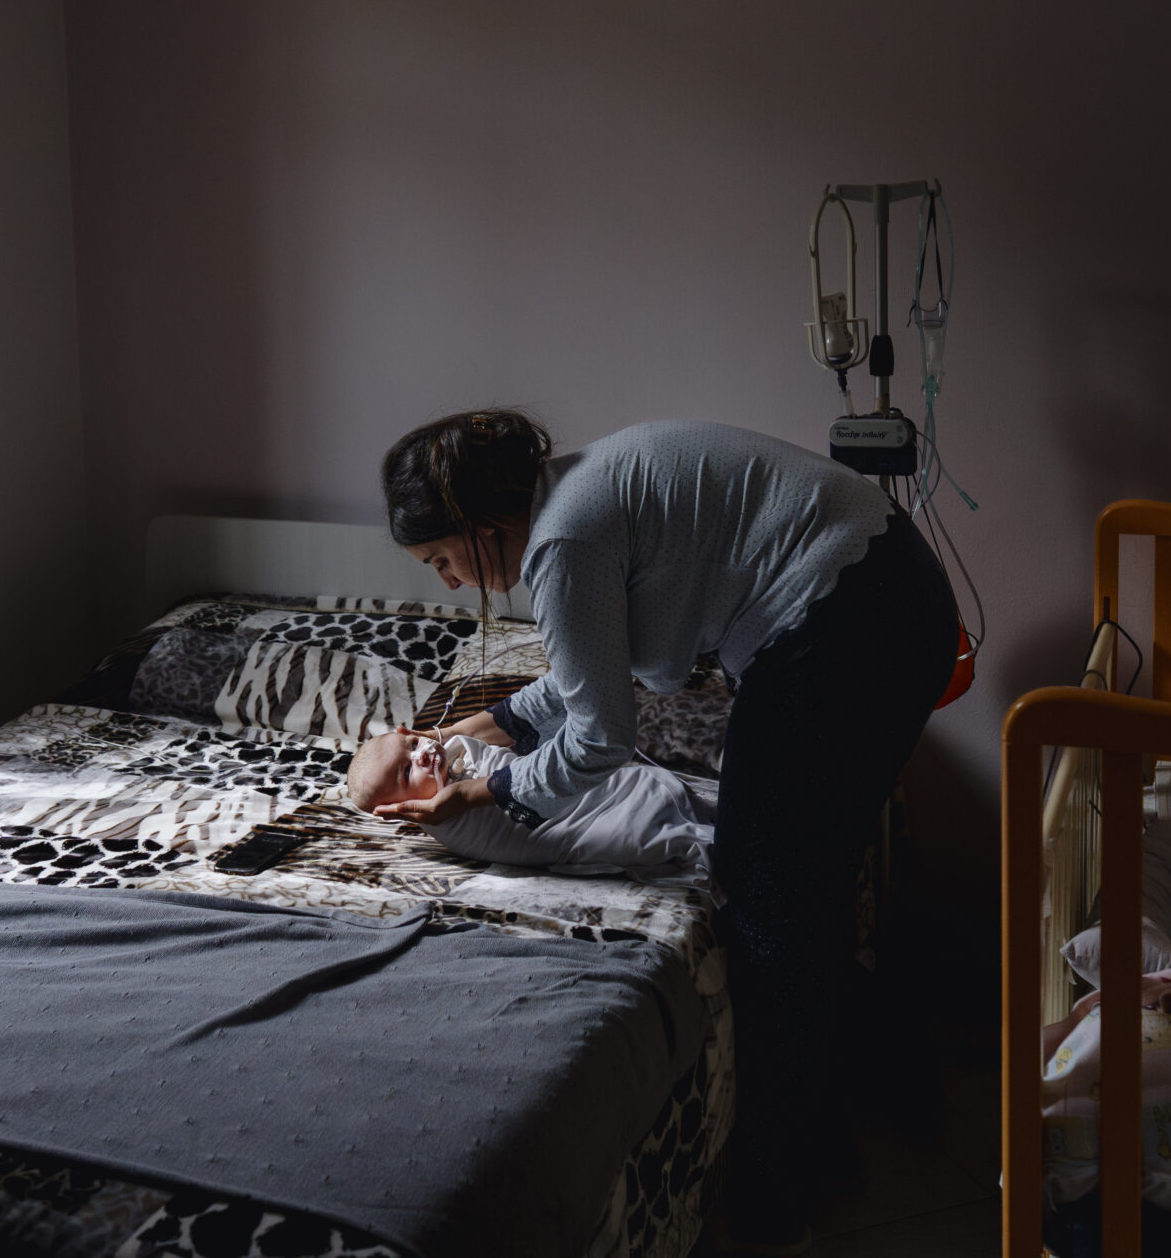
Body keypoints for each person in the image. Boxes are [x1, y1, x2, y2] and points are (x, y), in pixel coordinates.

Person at [377, 412, 959, 1252]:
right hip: (888, 587)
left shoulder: (560, 541)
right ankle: (849, 1131)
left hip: (848, 609)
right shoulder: (575, 503)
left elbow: (600, 738)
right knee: (801, 883)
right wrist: (500, 720)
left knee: (764, 900)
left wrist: (487, 786)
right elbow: (596, 671)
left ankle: (771, 1206)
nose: (447, 581)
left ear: (480, 527)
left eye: (441, 559)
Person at [345, 728, 715, 880]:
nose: (422, 757)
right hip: (580, 827)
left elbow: (509, 768)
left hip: (596, 795)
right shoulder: (445, 820)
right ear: (400, 810)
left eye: (412, 746)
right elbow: (502, 789)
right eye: (406, 773)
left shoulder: (453, 765)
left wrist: (440, 741)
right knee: (635, 832)